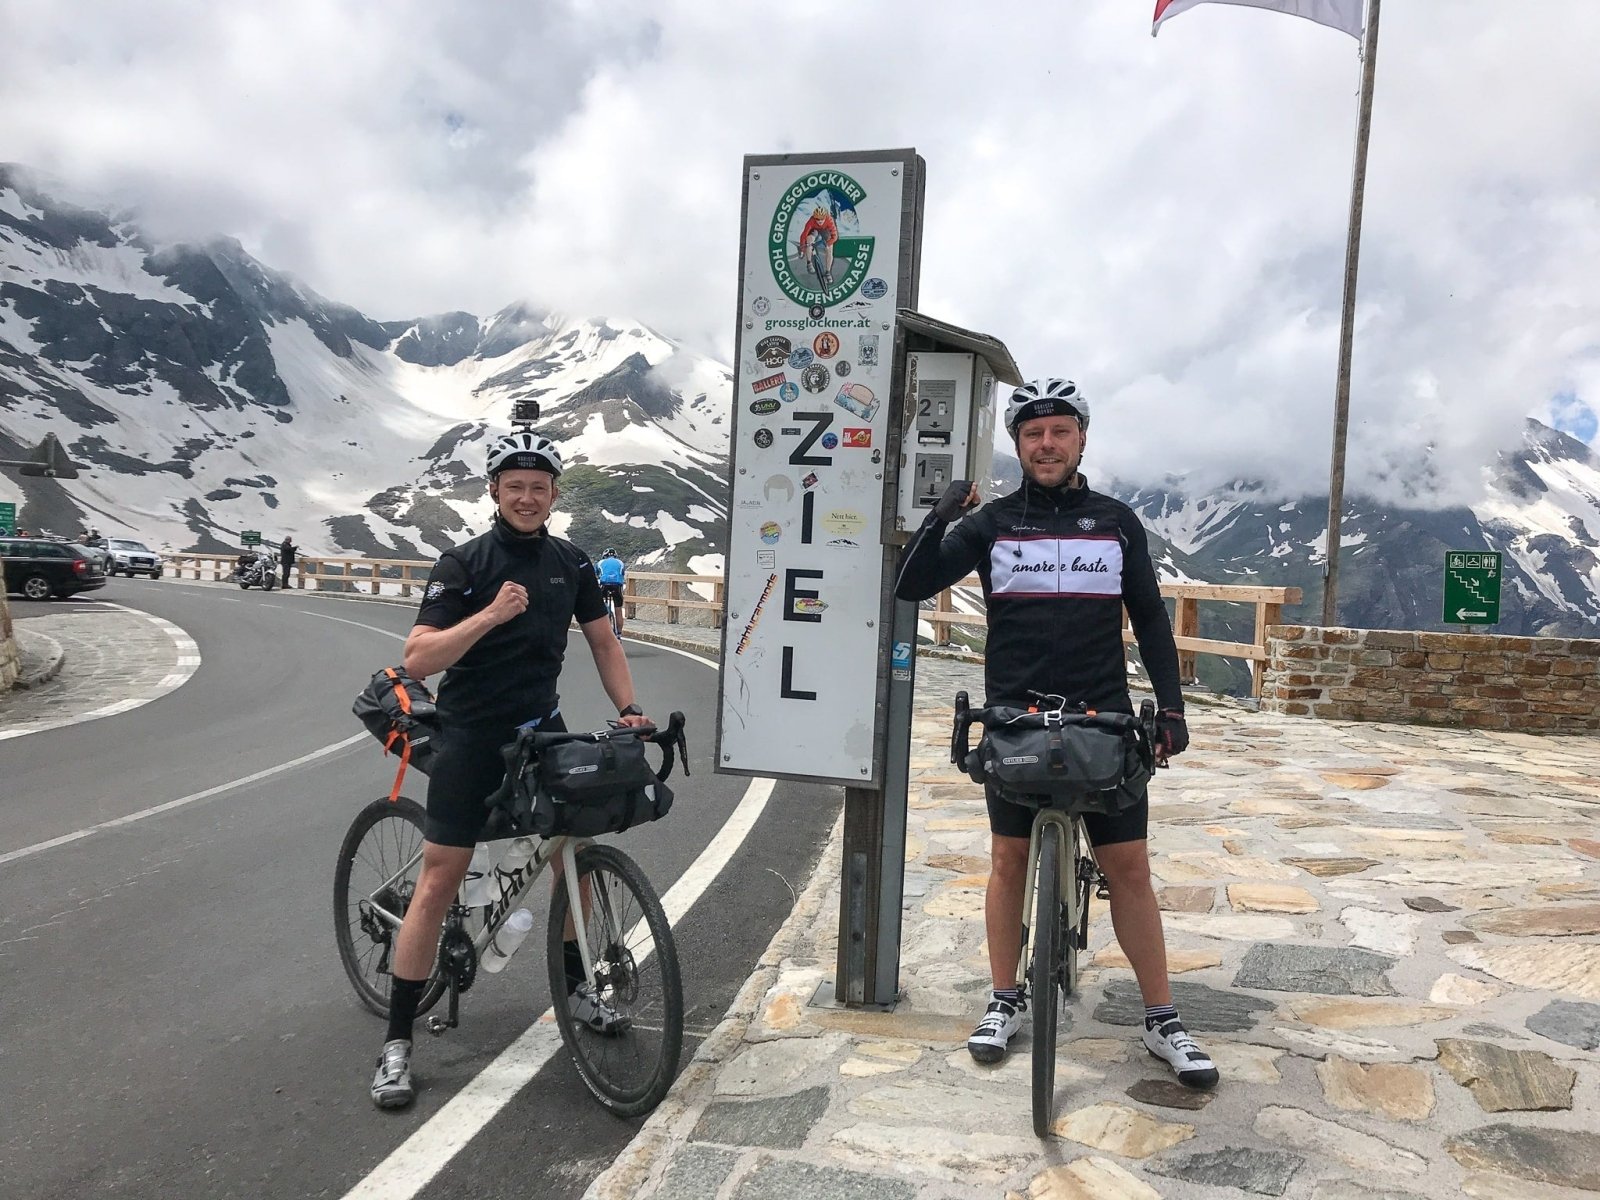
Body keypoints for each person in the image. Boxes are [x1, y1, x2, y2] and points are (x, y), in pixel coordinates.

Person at [894, 378, 1216, 1090]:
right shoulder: (993, 523)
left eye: (1060, 431)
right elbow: (911, 586)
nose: (1047, 444)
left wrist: (1171, 709)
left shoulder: (1116, 521)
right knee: (1008, 859)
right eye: (1033, 434)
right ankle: (1004, 997)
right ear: (1018, 444)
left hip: (1103, 716)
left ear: (1081, 439)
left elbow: (1151, 619)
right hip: (1017, 718)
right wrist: (941, 516)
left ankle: (1162, 1017)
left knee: (1130, 869)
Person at [370, 429, 652, 1110]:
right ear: (494, 490)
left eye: (539, 487)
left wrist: (630, 709)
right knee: (439, 879)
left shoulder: (570, 561)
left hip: (540, 728)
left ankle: (579, 989)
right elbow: (418, 657)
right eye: (515, 486)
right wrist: (490, 616)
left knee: (574, 856)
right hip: (470, 734)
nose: (528, 497)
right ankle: (398, 1042)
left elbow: (603, 641)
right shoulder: (464, 563)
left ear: (554, 495)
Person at [797, 199, 837, 284]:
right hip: (814, 229)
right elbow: (804, 235)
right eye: (817, 219)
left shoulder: (829, 220)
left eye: (822, 219)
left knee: (830, 248)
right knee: (809, 240)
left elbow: (835, 236)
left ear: (825, 217)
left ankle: (828, 272)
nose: (820, 221)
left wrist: (828, 243)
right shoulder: (811, 221)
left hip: (825, 230)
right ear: (814, 218)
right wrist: (802, 249)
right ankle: (809, 262)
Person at [594, 547, 626, 634]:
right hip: (617, 585)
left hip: (604, 584)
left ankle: (603, 620)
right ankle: (619, 634)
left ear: (604, 556)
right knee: (618, 610)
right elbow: (622, 574)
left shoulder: (600, 562)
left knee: (599, 605)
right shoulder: (620, 562)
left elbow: (595, 575)